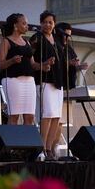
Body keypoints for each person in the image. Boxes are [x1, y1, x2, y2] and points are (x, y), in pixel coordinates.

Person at [0, 13, 47, 126]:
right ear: (15, 25)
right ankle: (13, 143)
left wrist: (43, 65)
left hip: (29, 81)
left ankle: (26, 143)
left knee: (29, 116)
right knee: (14, 115)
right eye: (24, 23)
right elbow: (0, 64)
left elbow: (33, 64)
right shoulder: (6, 41)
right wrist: (12, 61)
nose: (27, 26)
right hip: (13, 81)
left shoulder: (27, 42)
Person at [53, 22, 87, 155]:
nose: (67, 38)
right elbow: (57, 64)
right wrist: (68, 63)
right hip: (56, 85)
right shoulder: (56, 45)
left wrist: (79, 67)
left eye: (69, 36)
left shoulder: (68, 48)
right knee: (55, 120)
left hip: (67, 87)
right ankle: (49, 148)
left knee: (61, 122)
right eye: (65, 35)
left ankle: (54, 148)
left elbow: (73, 65)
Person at [30, 11, 59, 160]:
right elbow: (30, 59)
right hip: (44, 79)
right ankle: (41, 148)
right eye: (45, 22)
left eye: (51, 22)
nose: (48, 25)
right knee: (47, 114)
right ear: (40, 23)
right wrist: (43, 65)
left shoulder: (57, 38)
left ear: (54, 24)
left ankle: (49, 148)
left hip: (57, 80)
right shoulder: (37, 38)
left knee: (56, 116)